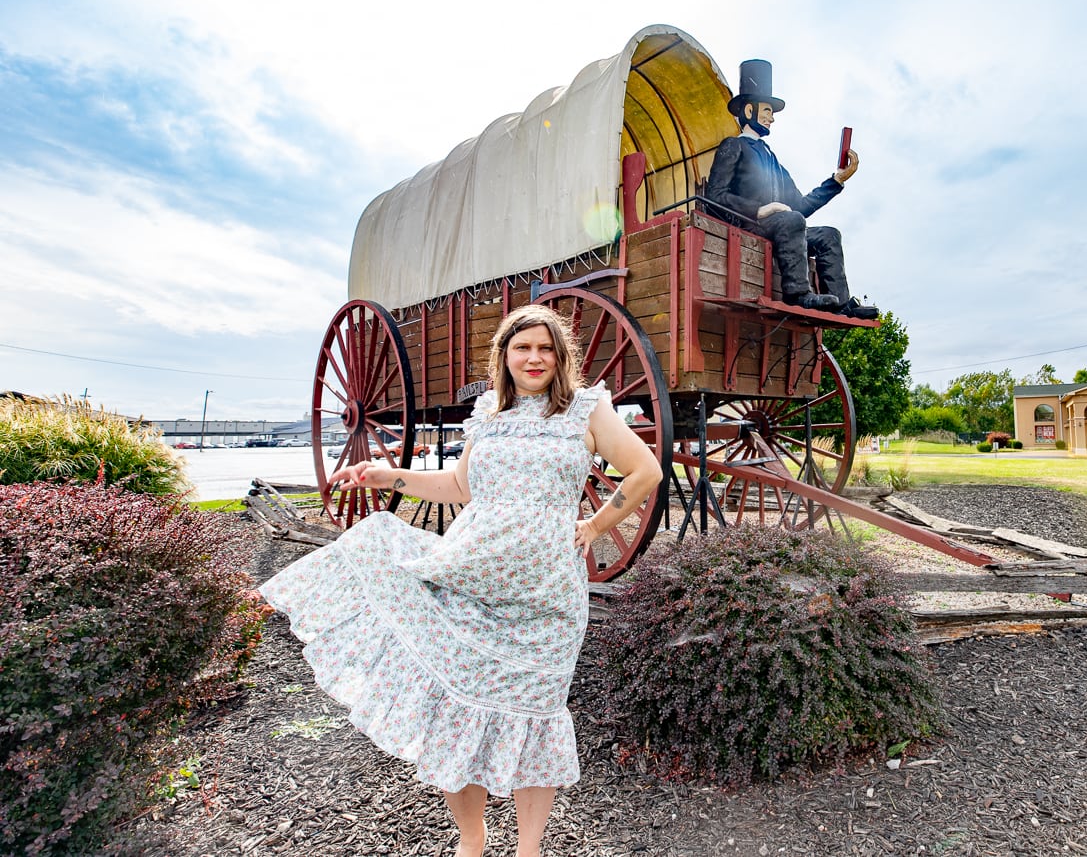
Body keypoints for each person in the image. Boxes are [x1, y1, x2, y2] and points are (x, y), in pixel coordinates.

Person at [259, 305, 664, 857]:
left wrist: (594, 524)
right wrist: (389, 475)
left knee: (537, 714)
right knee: (454, 709)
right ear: (505, 356)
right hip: (467, 578)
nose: (535, 357)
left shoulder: (587, 410)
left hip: (546, 598)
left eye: (545, 348)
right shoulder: (488, 412)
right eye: (522, 348)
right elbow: (459, 485)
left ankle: (529, 850)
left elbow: (645, 471)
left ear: (560, 355)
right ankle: (471, 841)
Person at [705, 58, 880, 320]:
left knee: (829, 235)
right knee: (790, 220)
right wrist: (760, 210)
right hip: (747, 225)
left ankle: (842, 303)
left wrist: (837, 180)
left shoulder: (774, 162)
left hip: (783, 228)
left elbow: (799, 207)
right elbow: (714, 197)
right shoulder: (733, 146)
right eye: (767, 110)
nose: (771, 118)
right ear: (749, 111)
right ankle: (798, 295)